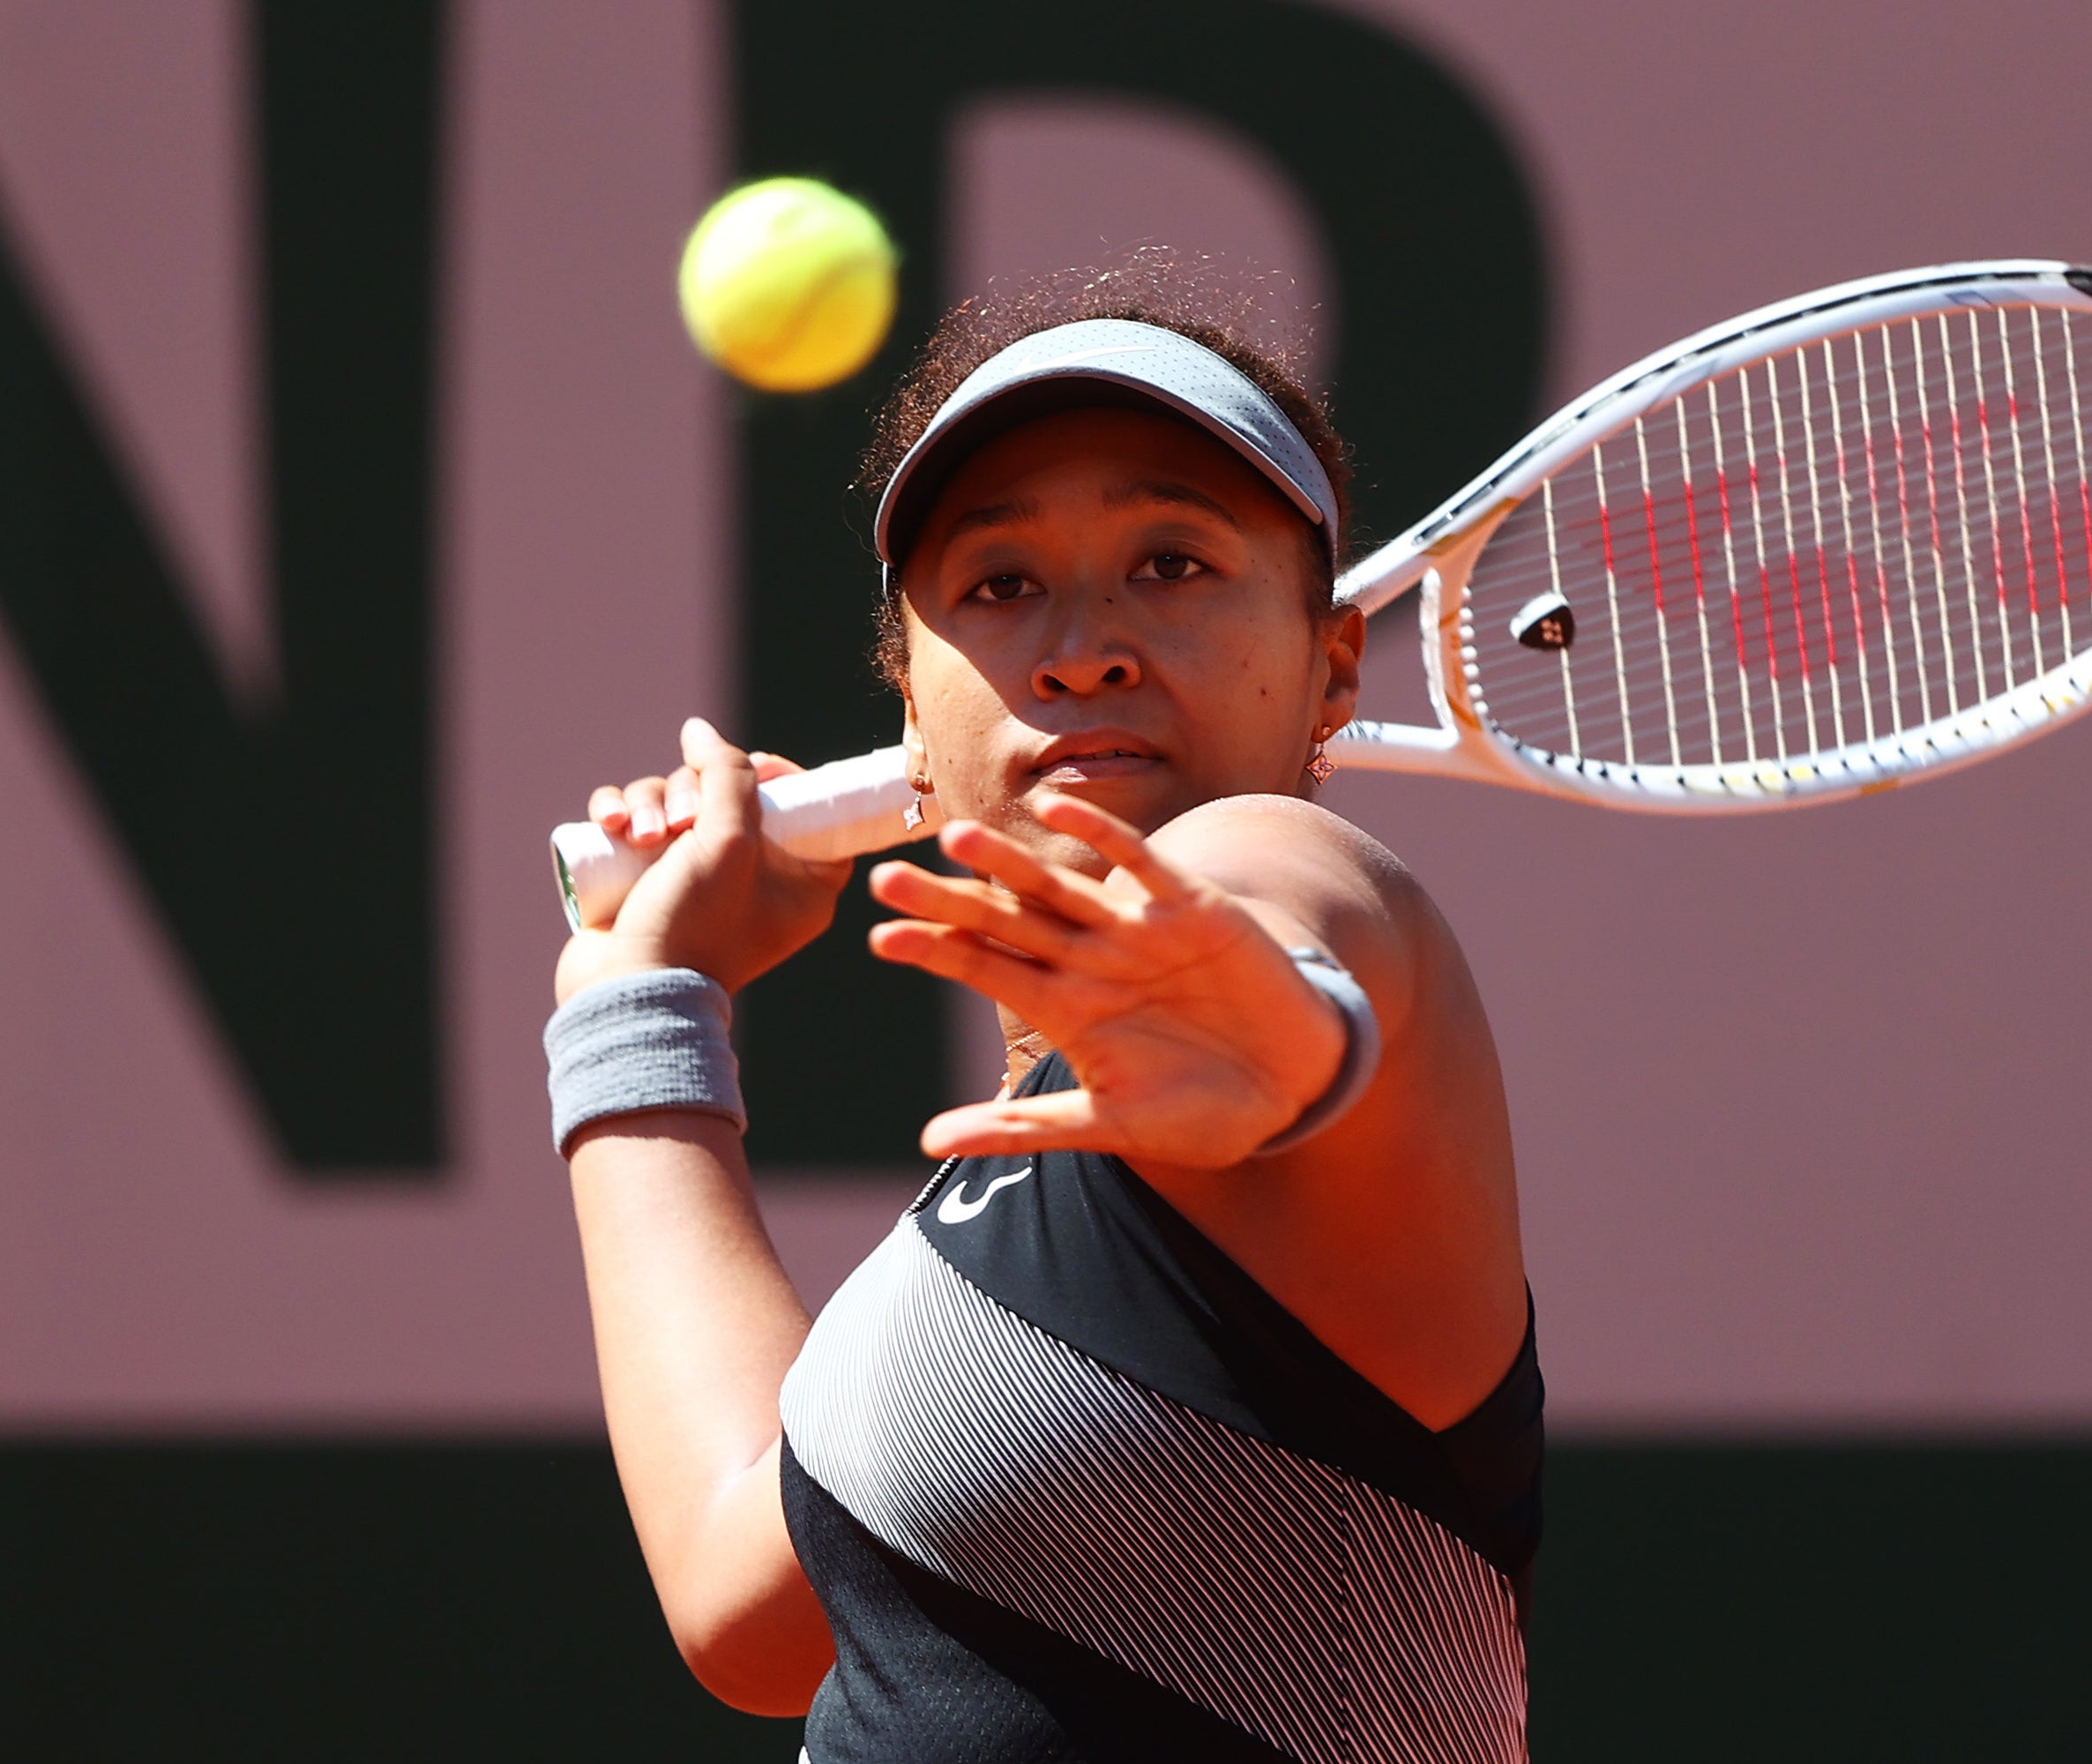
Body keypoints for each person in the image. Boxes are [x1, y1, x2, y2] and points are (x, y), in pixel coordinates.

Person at [543, 265, 1542, 1762]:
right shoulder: (981, 1233)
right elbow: (745, 1603)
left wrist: (1284, 1043)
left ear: (1331, 665)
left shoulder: (1289, 867)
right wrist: (637, 1006)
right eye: (1000, 587)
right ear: (909, 725)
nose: (1083, 645)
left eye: (1175, 564)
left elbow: (1290, 941)